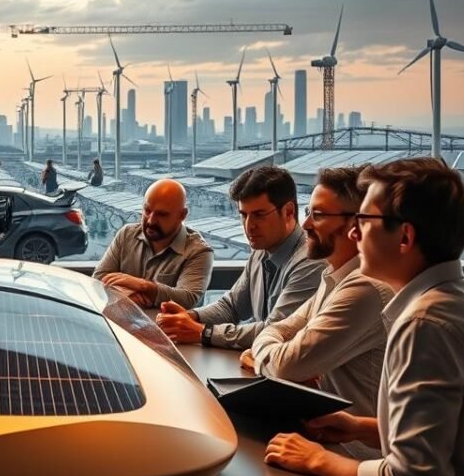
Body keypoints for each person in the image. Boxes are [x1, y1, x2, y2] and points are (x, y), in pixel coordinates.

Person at [264, 158, 464, 476]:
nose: (354, 233)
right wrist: (360, 426)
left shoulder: (425, 324)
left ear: (405, 237)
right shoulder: (454, 300)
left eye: (365, 220)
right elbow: (451, 432)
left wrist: (315, 459)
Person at [240, 166, 392, 417]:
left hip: (350, 447)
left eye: (318, 215)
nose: (306, 223)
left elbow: (287, 365)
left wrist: (260, 360)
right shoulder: (333, 277)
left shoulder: (366, 288)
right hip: (323, 428)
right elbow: (278, 329)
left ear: (357, 224)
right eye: (308, 211)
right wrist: (277, 357)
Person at [157, 165, 323, 350]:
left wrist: (202, 332)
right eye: (243, 215)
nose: (249, 226)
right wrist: (190, 317)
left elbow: (276, 332)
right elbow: (232, 306)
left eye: (259, 215)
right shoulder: (261, 250)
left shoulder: (310, 262)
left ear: (289, 212)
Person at [92, 179, 213, 309]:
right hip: (118, 322)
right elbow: (98, 279)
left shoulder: (199, 251)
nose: (151, 220)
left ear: (182, 215)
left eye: (162, 214)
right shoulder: (127, 234)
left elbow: (187, 298)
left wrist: (145, 286)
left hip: (164, 327)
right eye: (147, 210)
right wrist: (127, 297)